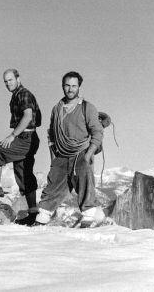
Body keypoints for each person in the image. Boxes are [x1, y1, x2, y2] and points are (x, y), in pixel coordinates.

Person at [34, 71, 104, 226]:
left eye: (74, 86)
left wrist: (89, 154)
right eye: (67, 85)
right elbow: (51, 133)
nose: (70, 89)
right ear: (62, 86)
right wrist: (53, 156)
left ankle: (90, 215)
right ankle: (44, 215)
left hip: (81, 151)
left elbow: (97, 132)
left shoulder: (87, 108)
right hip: (61, 153)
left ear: (79, 87)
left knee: (84, 179)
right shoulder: (57, 109)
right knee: (54, 183)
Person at [0, 69, 41, 226]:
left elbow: (28, 116)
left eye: (10, 80)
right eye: (5, 81)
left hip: (25, 138)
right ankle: (33, 212)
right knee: (23, 174)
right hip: (29, 137)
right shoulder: (17, 95)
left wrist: (13, 135)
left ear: (18, 78)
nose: (8, 84)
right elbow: (37, 119)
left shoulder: (23, 94)